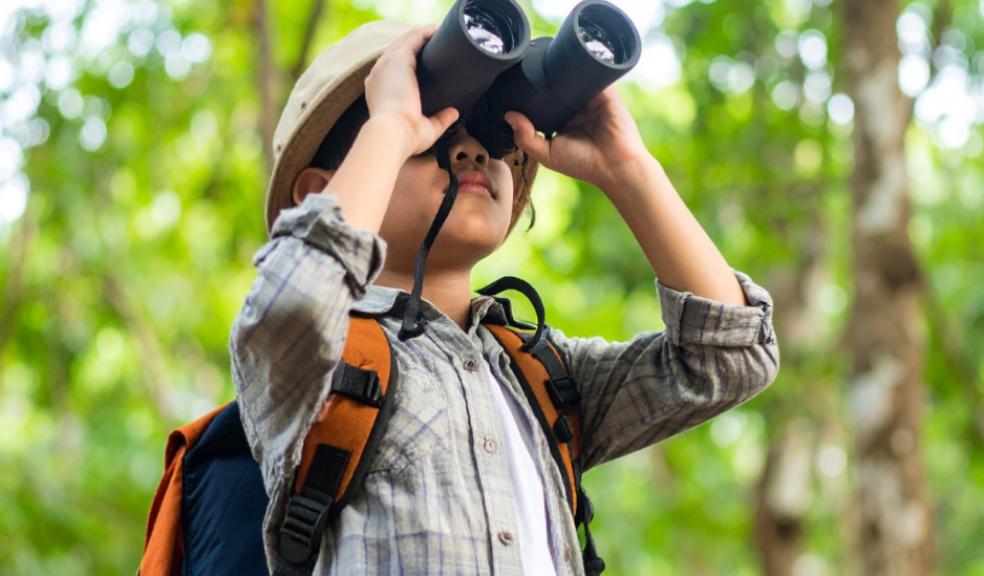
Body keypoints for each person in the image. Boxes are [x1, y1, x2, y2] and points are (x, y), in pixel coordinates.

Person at [230, 20, 779, 576]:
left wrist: (629, 170)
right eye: (434, 132)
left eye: (485, 134)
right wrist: (392, 125)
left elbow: (728, 358)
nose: (469, 149)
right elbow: (294, 300)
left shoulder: (541, 376)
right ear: (319, 192)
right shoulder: (317, 366)